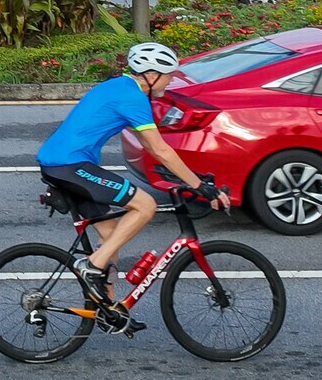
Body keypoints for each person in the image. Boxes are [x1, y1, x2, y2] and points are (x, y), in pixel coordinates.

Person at [34, 42, 230, 299]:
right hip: (69, 165)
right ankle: (91, 267)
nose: (169, 82)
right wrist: (200, 186)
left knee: (112, 237)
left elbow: (154, 149)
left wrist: (190, 177)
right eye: (168, 76)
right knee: (145, 205)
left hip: (65, 164)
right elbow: (159, 150)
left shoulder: (119, 86)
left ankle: (107, 306)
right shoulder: (133, 97)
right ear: (151, 76)